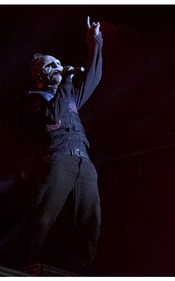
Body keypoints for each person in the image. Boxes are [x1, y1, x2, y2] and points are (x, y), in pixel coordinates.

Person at [5, 16, 103, 275]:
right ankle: (17, 268)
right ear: (41, 73)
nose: (59, 67)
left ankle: (81, 272)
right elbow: (53, 116)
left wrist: (95, 43)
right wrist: (68, 80)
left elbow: (93, 77)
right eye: (53, 65)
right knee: (43, 216)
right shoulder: (35, 98)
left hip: (84, 162)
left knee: (90, 223)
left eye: (60, 64)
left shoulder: (68, 93)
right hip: (59, 159)